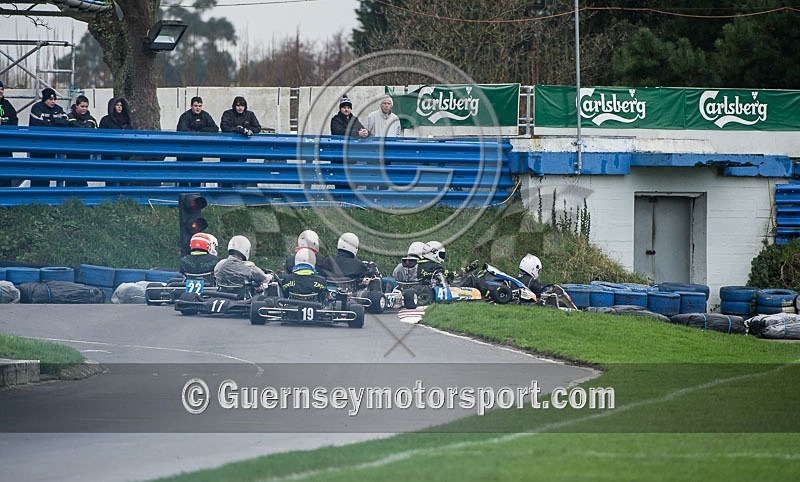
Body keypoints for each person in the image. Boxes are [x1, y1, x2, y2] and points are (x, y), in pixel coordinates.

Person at [28, 88, 68, 187]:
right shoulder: (37, 108)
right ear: (45, 99)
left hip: (51, 146)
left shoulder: (58, 109)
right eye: (50, 99)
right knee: (37, 175)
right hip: (37, 147)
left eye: (54, 99)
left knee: (48, 175)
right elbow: (39, 124)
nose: (53, 101)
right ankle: (35, 198)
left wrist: (51, 121)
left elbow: (65, 121)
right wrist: (55, 122)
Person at [219, 96, 261, 187]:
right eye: (238, 105)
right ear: (234, 106)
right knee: (227, 171)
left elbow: (257, 127)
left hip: (243, 149)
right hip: (228, 148)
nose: (240, 108)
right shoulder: (227, 114)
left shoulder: (250, 114)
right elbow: (224, 127)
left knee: (241, 170)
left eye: (242, 105)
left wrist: (249, 130)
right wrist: (238, 130)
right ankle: (225, 192)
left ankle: (241, 192)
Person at [0, 80, 19, 187]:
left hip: (5, 145)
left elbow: (14, 121)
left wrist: (3, 122)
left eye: (2, 89)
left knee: (5, 174)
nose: (0, 91)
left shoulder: (7, 105)